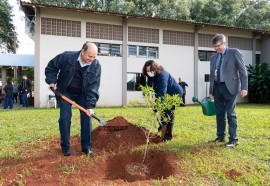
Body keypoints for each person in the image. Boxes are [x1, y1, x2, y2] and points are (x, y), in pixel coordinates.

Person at [45, 42, 101, 157]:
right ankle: (65, 147)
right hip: (65, 91)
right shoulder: (67, 57)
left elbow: (93, 86)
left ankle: (86, 147)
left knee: (87, 117)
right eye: (89, 56)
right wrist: (52, 81)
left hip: (83, 93)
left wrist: (90, 106)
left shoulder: (95, 65)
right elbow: (51, 67)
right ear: (82, 51)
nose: (91, 59)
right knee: (65, 118)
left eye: (94, 57)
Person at [209, 34, 248, 147]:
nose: (216, 48)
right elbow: (212, 75)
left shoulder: (234, 52)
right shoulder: (213, 58)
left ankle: (233, 139)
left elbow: (242, 70)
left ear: (224, 43)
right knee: (219, 113)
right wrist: (211, 91)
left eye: (218, 45)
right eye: (214, 46)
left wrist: (244, 87)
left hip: (230, 87)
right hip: (217, 87)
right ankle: (220, 136)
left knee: (230, 113)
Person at [142, 60, 183, 142]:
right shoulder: (151, 76)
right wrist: (146, 94)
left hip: (174, 94)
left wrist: (156, 108)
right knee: (162, 112)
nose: (149, 73)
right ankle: (161, 130)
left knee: (168, 112)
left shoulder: (163, 76)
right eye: (147, 71)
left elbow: (161, 93)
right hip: (165, 94)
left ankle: (168, 136)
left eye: (150, 71)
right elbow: (149, 86)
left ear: (155, 68)